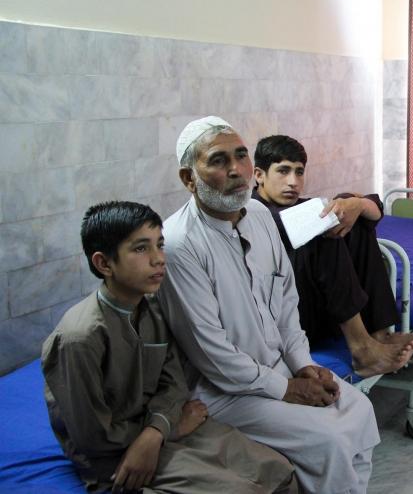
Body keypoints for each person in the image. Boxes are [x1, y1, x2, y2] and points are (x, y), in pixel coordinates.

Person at [157, 117, 380, 493]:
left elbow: (286, 305)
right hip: (226, 392)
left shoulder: (259, 216)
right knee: (329, 439)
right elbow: (212, 354)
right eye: (217, 160)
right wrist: (286, 389)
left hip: (280, 368)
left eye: (241, 156)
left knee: (359, 408)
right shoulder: (181, 244)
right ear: (188, 178)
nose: (235, 170)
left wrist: (304, 365)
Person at [41, 201, 297, 494]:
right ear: (104, 263)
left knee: (279, 472)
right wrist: (164, 431)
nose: (159, 259)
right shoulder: (79, 338)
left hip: (165, 427)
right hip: (118, 453)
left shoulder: (154, 310)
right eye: (140, 249)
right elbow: (92, 436)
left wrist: (158, 429)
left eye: (160, 245)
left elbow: (174, 382)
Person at [251, 134, 413, 377]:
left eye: (299, 172)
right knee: (327, 230)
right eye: (283, 171)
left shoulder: (298, 208)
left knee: (351, 218)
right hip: (286, 321)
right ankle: (362, 349)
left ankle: (379, 335)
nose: (293, 181)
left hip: (318, 312)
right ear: (259, 175)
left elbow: (376, 208)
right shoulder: (252, 214)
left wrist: (355, 205)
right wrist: (344, 208)